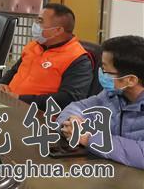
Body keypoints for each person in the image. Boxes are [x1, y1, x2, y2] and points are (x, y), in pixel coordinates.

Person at [58, 35, 144, 170]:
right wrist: (71, 122)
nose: (101, 73)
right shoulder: (114, 94)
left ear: (131, 80)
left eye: (105, 70)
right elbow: (77, 107)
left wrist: (89, 138)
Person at [0, 3, 92, 110]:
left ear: (58, 30)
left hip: (37, 113)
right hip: (9, 104)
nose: (35, 25)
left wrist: (20, 99)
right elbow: (15, 70)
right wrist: (3, 83)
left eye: (40, 21)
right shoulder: (34, 45)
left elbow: (68, 99)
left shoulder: (78, 59)